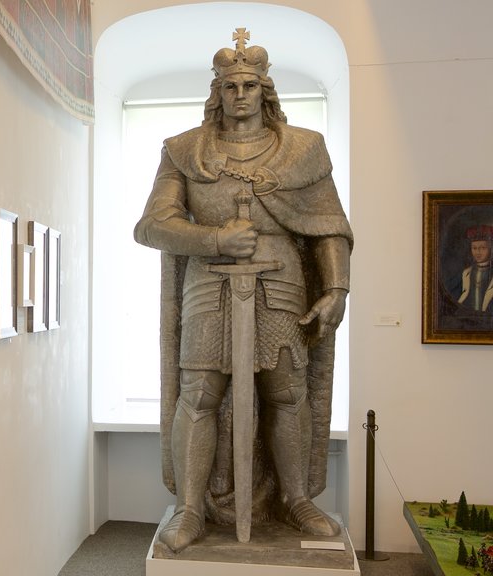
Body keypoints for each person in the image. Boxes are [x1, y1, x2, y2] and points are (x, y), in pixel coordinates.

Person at [133, 29, 353, 553]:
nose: (240, 95)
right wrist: (213, 238)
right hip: (209, 282)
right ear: (218, 91)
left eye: (250, 85)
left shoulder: (304, 149)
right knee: (200, 394)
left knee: (287, 393)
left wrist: (337, 288)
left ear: (265, 89)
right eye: (230, 86)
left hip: (281, 283)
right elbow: (150, 226)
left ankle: (296, 498)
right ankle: (190, 509)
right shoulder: (184, 151)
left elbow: (328, 227)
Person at [456, 225, 493, 312]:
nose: (478, 252)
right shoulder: (466, 273)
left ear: (491, 249)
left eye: (483, 248)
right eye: (474, 248)